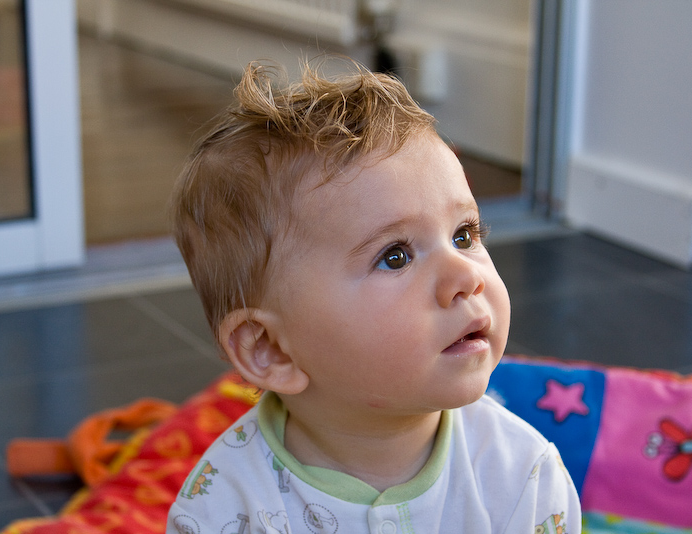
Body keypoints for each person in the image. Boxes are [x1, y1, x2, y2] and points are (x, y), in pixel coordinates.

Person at [166, 59, 581, 534]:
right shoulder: (227, 509)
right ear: (269, 348)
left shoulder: (521, 477)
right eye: (396, 257)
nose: (465, 276)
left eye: (464, 235)